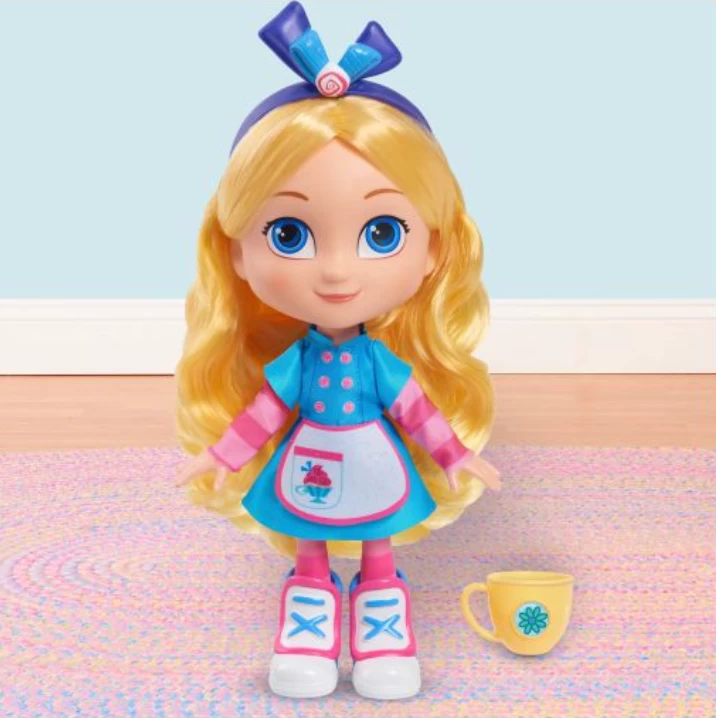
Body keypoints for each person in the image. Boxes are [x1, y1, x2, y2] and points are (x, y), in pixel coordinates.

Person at [175, 1, 501, 701]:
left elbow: (414, 409)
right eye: (289, 234)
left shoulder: (378, 362)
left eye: (381, 233)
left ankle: (383, 615)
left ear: (432, 249)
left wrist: (455, 455)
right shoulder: (299, 362)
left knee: (378, 544)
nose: (335, 272)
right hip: (312, 460)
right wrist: (221, 456)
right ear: (237, 251)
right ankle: (308, 617)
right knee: (310, 543)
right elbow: (265, 412)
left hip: (373, 458)